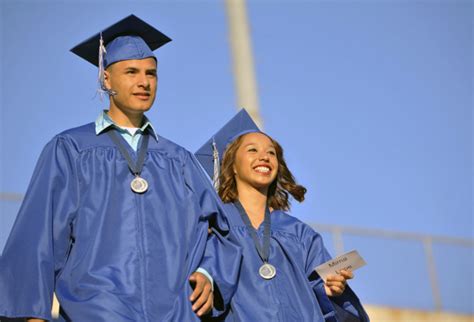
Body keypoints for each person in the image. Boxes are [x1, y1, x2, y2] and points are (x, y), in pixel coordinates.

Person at [0, 15, 241, 322]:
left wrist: (209, 273)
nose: (144, 82)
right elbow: (38, 237)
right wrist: (31, 314)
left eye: (151, 74)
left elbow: (224, 233)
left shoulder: (178, 160)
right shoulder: (71, 150)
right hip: (96, 312)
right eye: (131, 72)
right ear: (106, 79)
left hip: (175, 313)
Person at [195, 109, 370, 321]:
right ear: (231, 165)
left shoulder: (299, 233)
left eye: (271, 153)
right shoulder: (214, 223)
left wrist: (331, 289)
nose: (264, 157)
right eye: (252, 150)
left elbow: (320, 289)